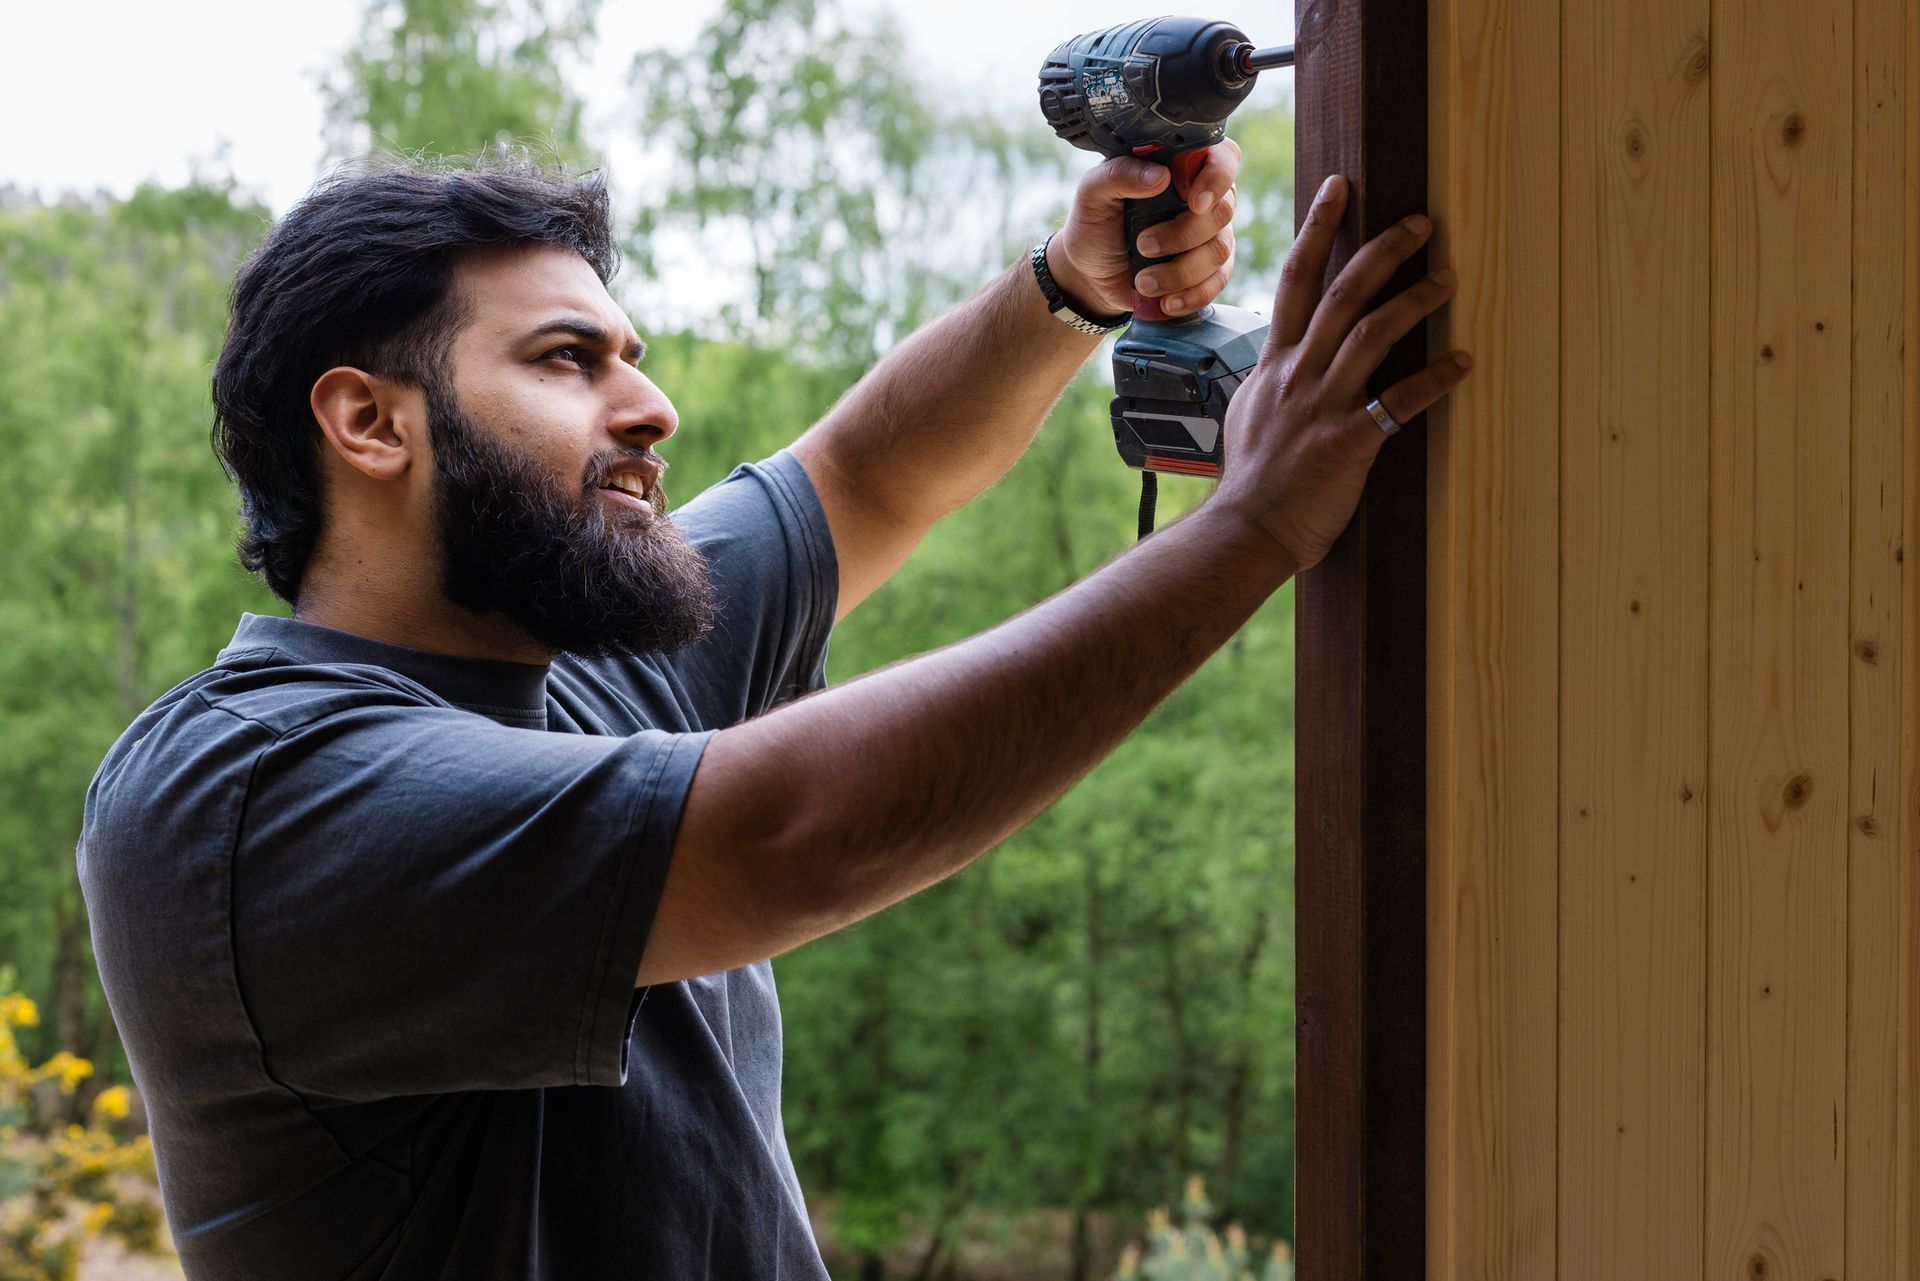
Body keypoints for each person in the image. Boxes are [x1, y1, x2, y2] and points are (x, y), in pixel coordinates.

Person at [77, 148, 1468, 1279]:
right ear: (369, 422)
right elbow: (798, 830)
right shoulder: (240, 795)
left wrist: (1070, 285)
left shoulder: (591, 671)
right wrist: (1253, 524)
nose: (654, 405)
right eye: (570, 361)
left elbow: (864, 474)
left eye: (634, 353)